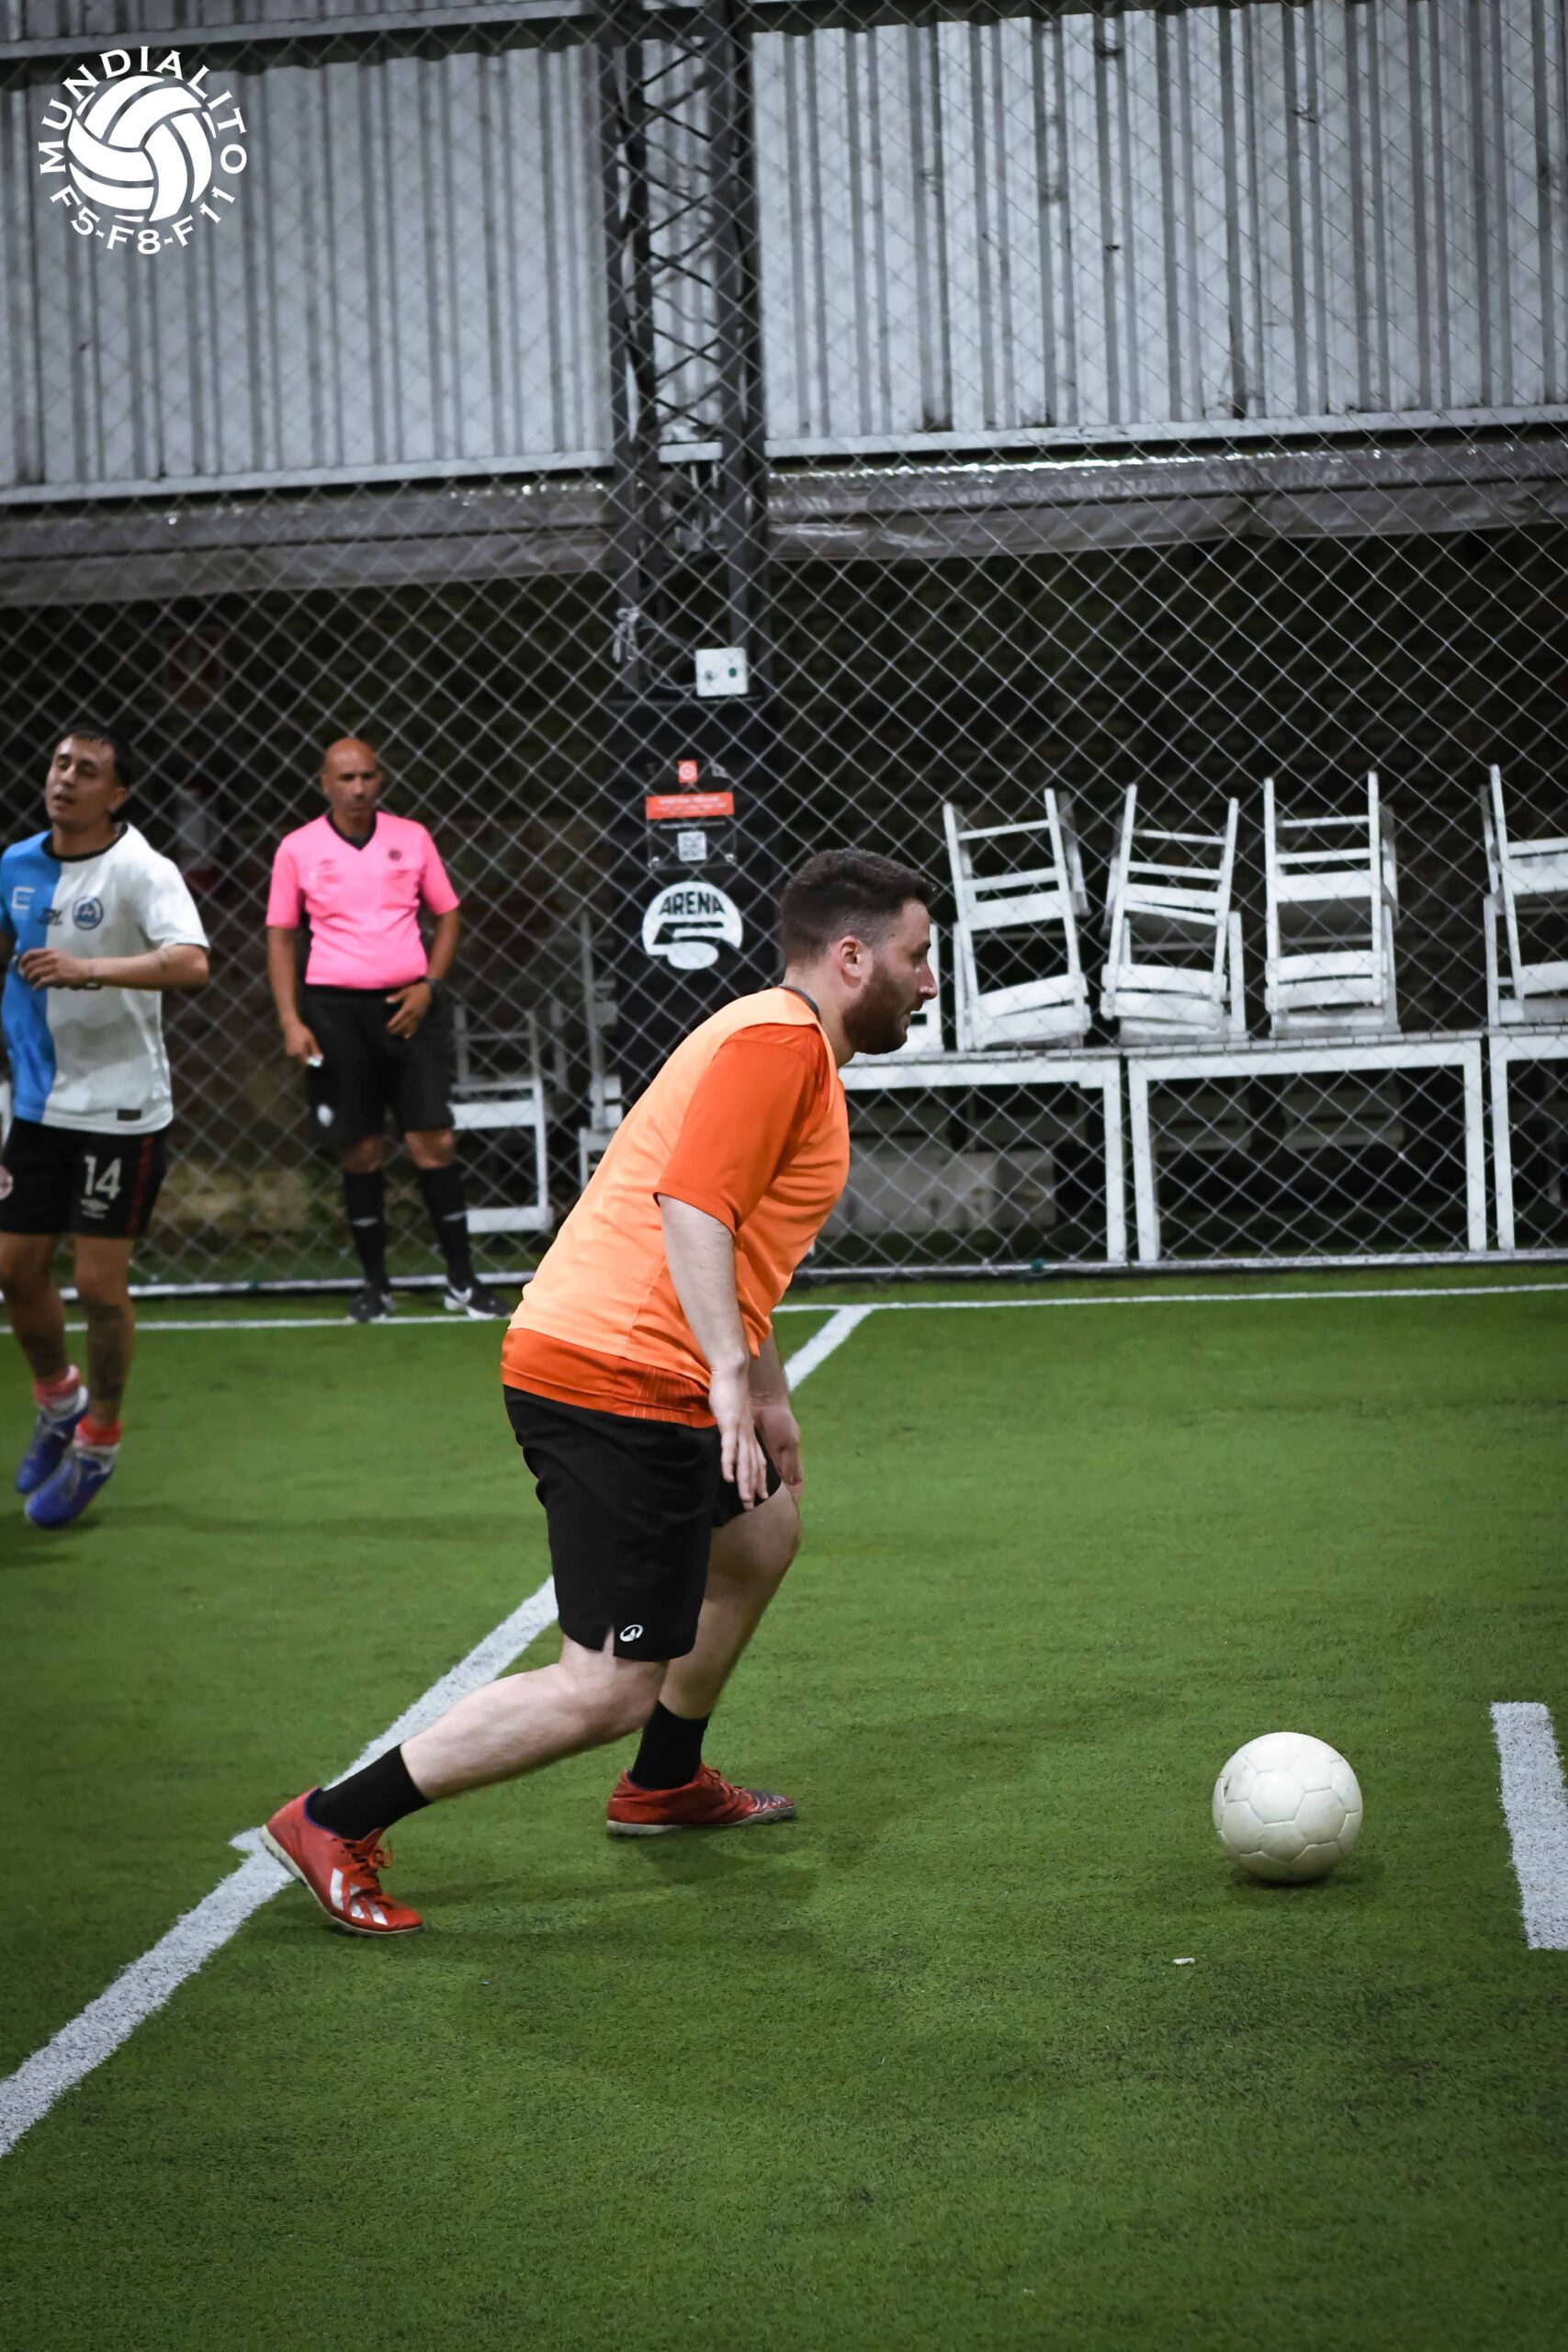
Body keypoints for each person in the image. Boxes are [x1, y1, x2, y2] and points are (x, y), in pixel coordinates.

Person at [262, 848, 934, 1934]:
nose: (928, 980)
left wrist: (765, 1393)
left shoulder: (783, 1038)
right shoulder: (777, 1044)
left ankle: (664, 1782)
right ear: (852, 958)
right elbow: (693, 1205)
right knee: (604, 1686)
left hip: (638, 1361)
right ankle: (334, 1818)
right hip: (616, 1375)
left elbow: (741, 1236)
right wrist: (726, 1378)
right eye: (917, 956)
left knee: (760, 1537)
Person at [0, 725, 210, 1529]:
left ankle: (99, 1439)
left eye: (87, 771)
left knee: (96, 1285)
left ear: (116, 795)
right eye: (60, 763)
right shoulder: (15, 865)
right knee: (15, 1270)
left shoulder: (141, 870)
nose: (66, 778)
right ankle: (60, 1401)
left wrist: (89, 968)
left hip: (122, 1109)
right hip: (38, 1104)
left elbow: (191, 960)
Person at [265, 738, 505, 1322]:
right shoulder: (298, 848)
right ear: (325, 783)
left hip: (410, 1006)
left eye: (367, 776)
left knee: (434, 1141)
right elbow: (281, 936)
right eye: (345, 778)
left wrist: (430, 986)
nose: (357, 788)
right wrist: (292, 1020)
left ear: (380, 780)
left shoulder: (412, 837)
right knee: (361, 1149)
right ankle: (376, 1287)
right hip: (334, 1012)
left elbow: (448, 914)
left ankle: (462, 1281)